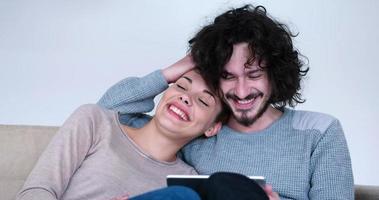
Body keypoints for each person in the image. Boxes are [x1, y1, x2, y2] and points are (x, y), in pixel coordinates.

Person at [99, 4, 354, 200]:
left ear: (275, 75)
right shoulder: (200, 127)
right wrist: (176, 69)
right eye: (227, 76)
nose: (242, 91)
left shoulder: (319, 131)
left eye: (254, 75)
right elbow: (107, 114)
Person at [16, 63, 225, 200]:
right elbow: (36, 191)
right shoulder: (96, 121)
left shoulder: (189, 180)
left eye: (203, 101)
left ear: (212, 128)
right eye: (180, 86)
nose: (185, 97)